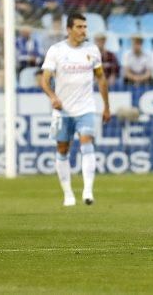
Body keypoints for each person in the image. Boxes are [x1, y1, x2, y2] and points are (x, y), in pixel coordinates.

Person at [40, 13, 110, 207]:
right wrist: (53, 97)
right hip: (63, 110)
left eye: (85, 27)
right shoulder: (56, 50)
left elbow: (101, 78)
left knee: (87, 141)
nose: (83, 31)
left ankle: (88, 191)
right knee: (63, 149)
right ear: (69, 29)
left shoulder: (92, 50)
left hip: (86, 107)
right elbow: (44, 80)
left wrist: (106, 106)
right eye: (79, 27)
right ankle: (68, 193)